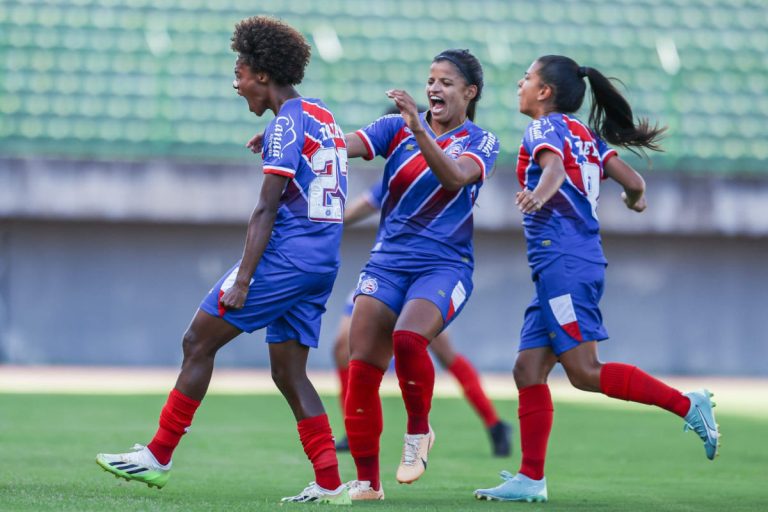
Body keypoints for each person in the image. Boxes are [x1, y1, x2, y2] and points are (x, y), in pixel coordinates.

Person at [95, 16, 352, 505]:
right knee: (289, 372)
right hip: (322, 261)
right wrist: (276, 138)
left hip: (286, 259)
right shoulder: (320, 115)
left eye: (239, 73)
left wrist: (244, 280)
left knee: (197, 340)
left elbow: (265, 208)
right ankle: (329, 482)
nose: (236, 85)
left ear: (260, 72)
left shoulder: (286, 124)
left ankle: (159, 454)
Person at [474, 55, 719, 503]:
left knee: (584, 372)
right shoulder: (584, 134)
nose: (520, 84)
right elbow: (634, 180)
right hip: (569, 263)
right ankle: (531, 479)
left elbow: (554, 171)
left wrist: (537, 196)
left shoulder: (545, 128)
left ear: (545, 92)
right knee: (528, 369)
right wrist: (633, 199)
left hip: (563, 262)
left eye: (527, 78)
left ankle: (688, 405)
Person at [340, 49, 500, 500]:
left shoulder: (481, 141)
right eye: (431, 80)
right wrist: (296, 137)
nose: (434, 89)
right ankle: (368, 483)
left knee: (408, 340)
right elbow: (344, 143)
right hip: (387, 263)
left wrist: (416, 127)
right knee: (361, 367)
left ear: (470, 92)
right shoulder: (395, 128)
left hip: (445, 266)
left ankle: (418, 433)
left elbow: (453, 178)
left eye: (446, 82)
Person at [332, 183, 512, 458]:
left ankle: (494, 424)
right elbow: (367, 203)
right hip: (386, 270)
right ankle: (353, 426)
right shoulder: (399, 168)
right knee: (341, 346)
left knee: (442, 351)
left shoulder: (443, 171)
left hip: (426, 274)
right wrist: (323, 221)